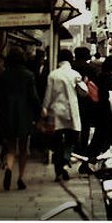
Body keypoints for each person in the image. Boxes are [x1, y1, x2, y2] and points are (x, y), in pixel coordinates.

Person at [0, 46, 41, 191]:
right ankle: (20, 178)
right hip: (24, 115)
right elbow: (33, 97)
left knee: (10, 147)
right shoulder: (28, 75)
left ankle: (9, 168)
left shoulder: (4, 75)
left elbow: (0, 98)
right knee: (23, 148)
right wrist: (40, 111)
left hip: (8, 114)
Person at [42, 49, 83, 181]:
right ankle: (66, 161)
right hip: (71, 112)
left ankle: (58, 171)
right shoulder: (75, 74)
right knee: (72, 139)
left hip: (56, 112)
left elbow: (48, 94)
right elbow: (85, 92)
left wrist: (44, 107)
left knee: (57, 142)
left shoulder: (53, 75)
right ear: (70, 59)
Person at [73, 46, 100, 162]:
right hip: (87, 101)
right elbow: (95, 85)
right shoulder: (90, 68)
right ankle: (83, 147)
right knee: (85, 125)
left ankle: (75, 147)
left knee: (74, 124)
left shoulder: (72, 67)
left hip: (73, 99)